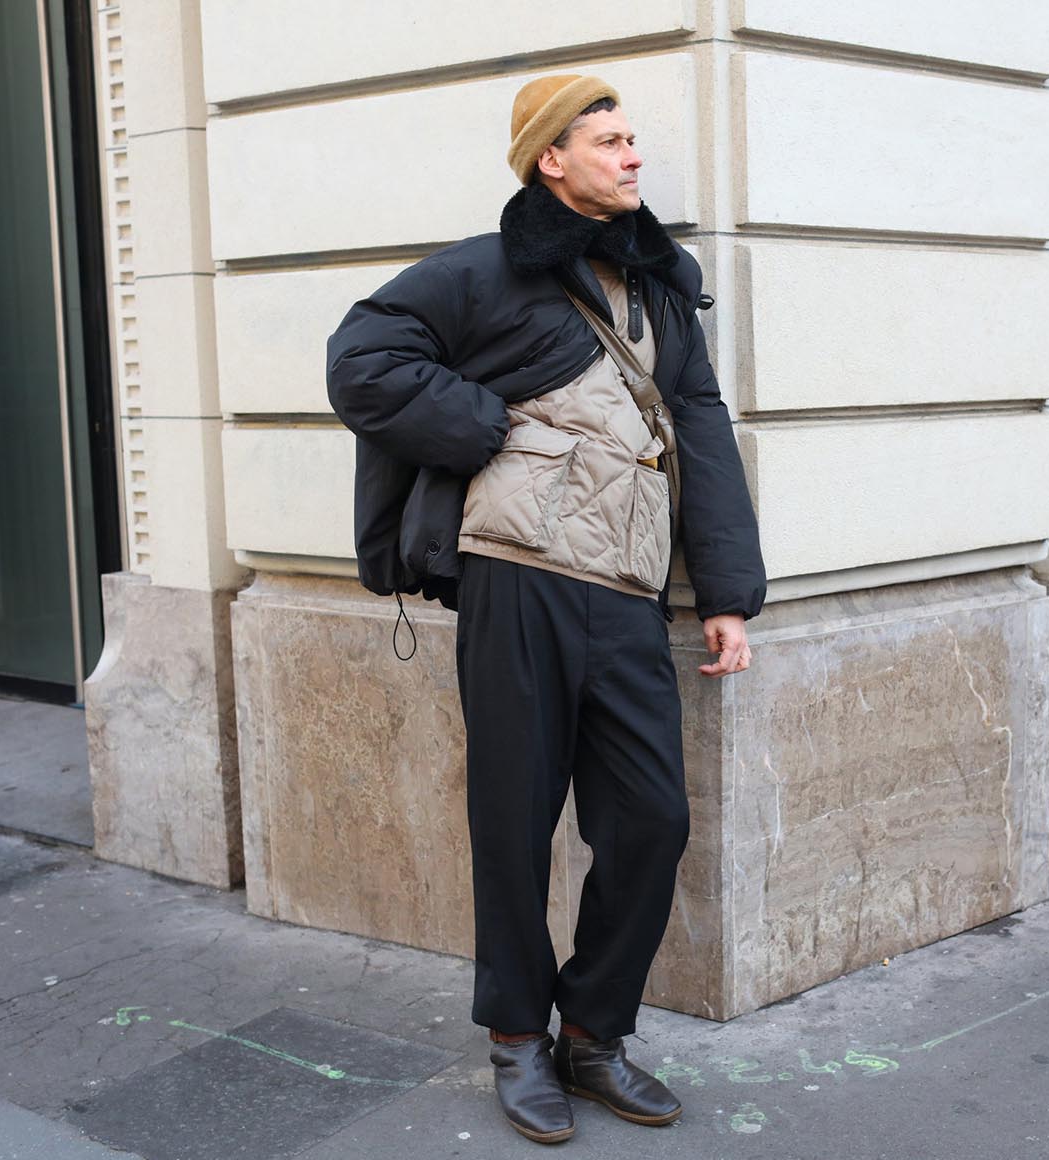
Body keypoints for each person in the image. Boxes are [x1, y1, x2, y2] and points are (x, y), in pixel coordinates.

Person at [326, 74, 765, 1143]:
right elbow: (362, 360)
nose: (631, 155)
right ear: (548, 160)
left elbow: (697, 423)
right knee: (514, 823)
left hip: (625, 592)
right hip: (516, 582)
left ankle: (593, 1032)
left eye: (633, 138)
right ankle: (518, 1038)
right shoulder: (481, 271)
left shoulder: (661, 284)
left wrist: (727, 591)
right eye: (608, 139)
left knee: (652, 819)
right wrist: (482, 430)